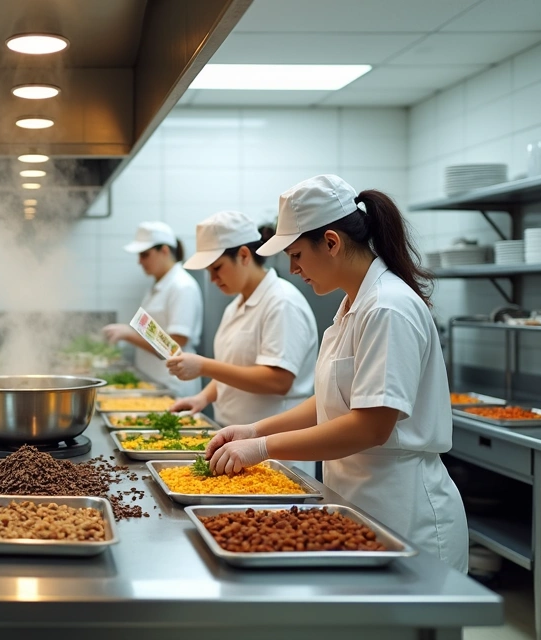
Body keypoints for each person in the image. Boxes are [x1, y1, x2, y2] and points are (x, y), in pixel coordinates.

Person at [203, 175, 468, 571]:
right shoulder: (350, 307)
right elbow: (329, 402)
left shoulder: (386, 308)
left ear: (331, 242)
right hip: (356, 504)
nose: (293, 269)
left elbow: (370, 427)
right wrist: (256, 430)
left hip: (403, 509)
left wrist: (263, 450)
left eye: (296, 255)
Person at [166, 210, 318, 475]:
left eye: (217, 268)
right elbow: (234, 368)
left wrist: (204, 366)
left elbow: (277, 380)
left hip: (274, 451)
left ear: (244, 256)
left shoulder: (281, 303)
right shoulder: (236, 305)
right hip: (234, 443)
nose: (213, 280)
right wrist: (203, 397)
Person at [102, 222, 203, 396]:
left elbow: (175, 346)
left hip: (174, 384)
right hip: (157, 382)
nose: (140, 261)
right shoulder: (157, 287)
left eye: (145, 255)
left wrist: (128, 334)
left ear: (164, 251)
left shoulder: (182, 286)